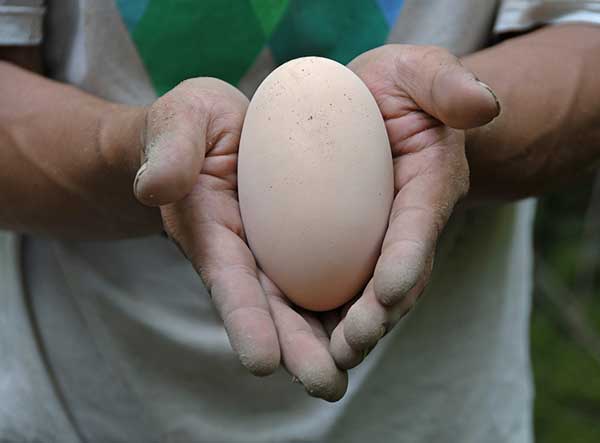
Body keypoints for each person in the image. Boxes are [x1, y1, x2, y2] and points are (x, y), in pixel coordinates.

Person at [1, 0, 599, 441]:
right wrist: (131, 151)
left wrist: (447, 137)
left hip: (437, 412)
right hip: (79, 411)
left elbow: (585, 37)